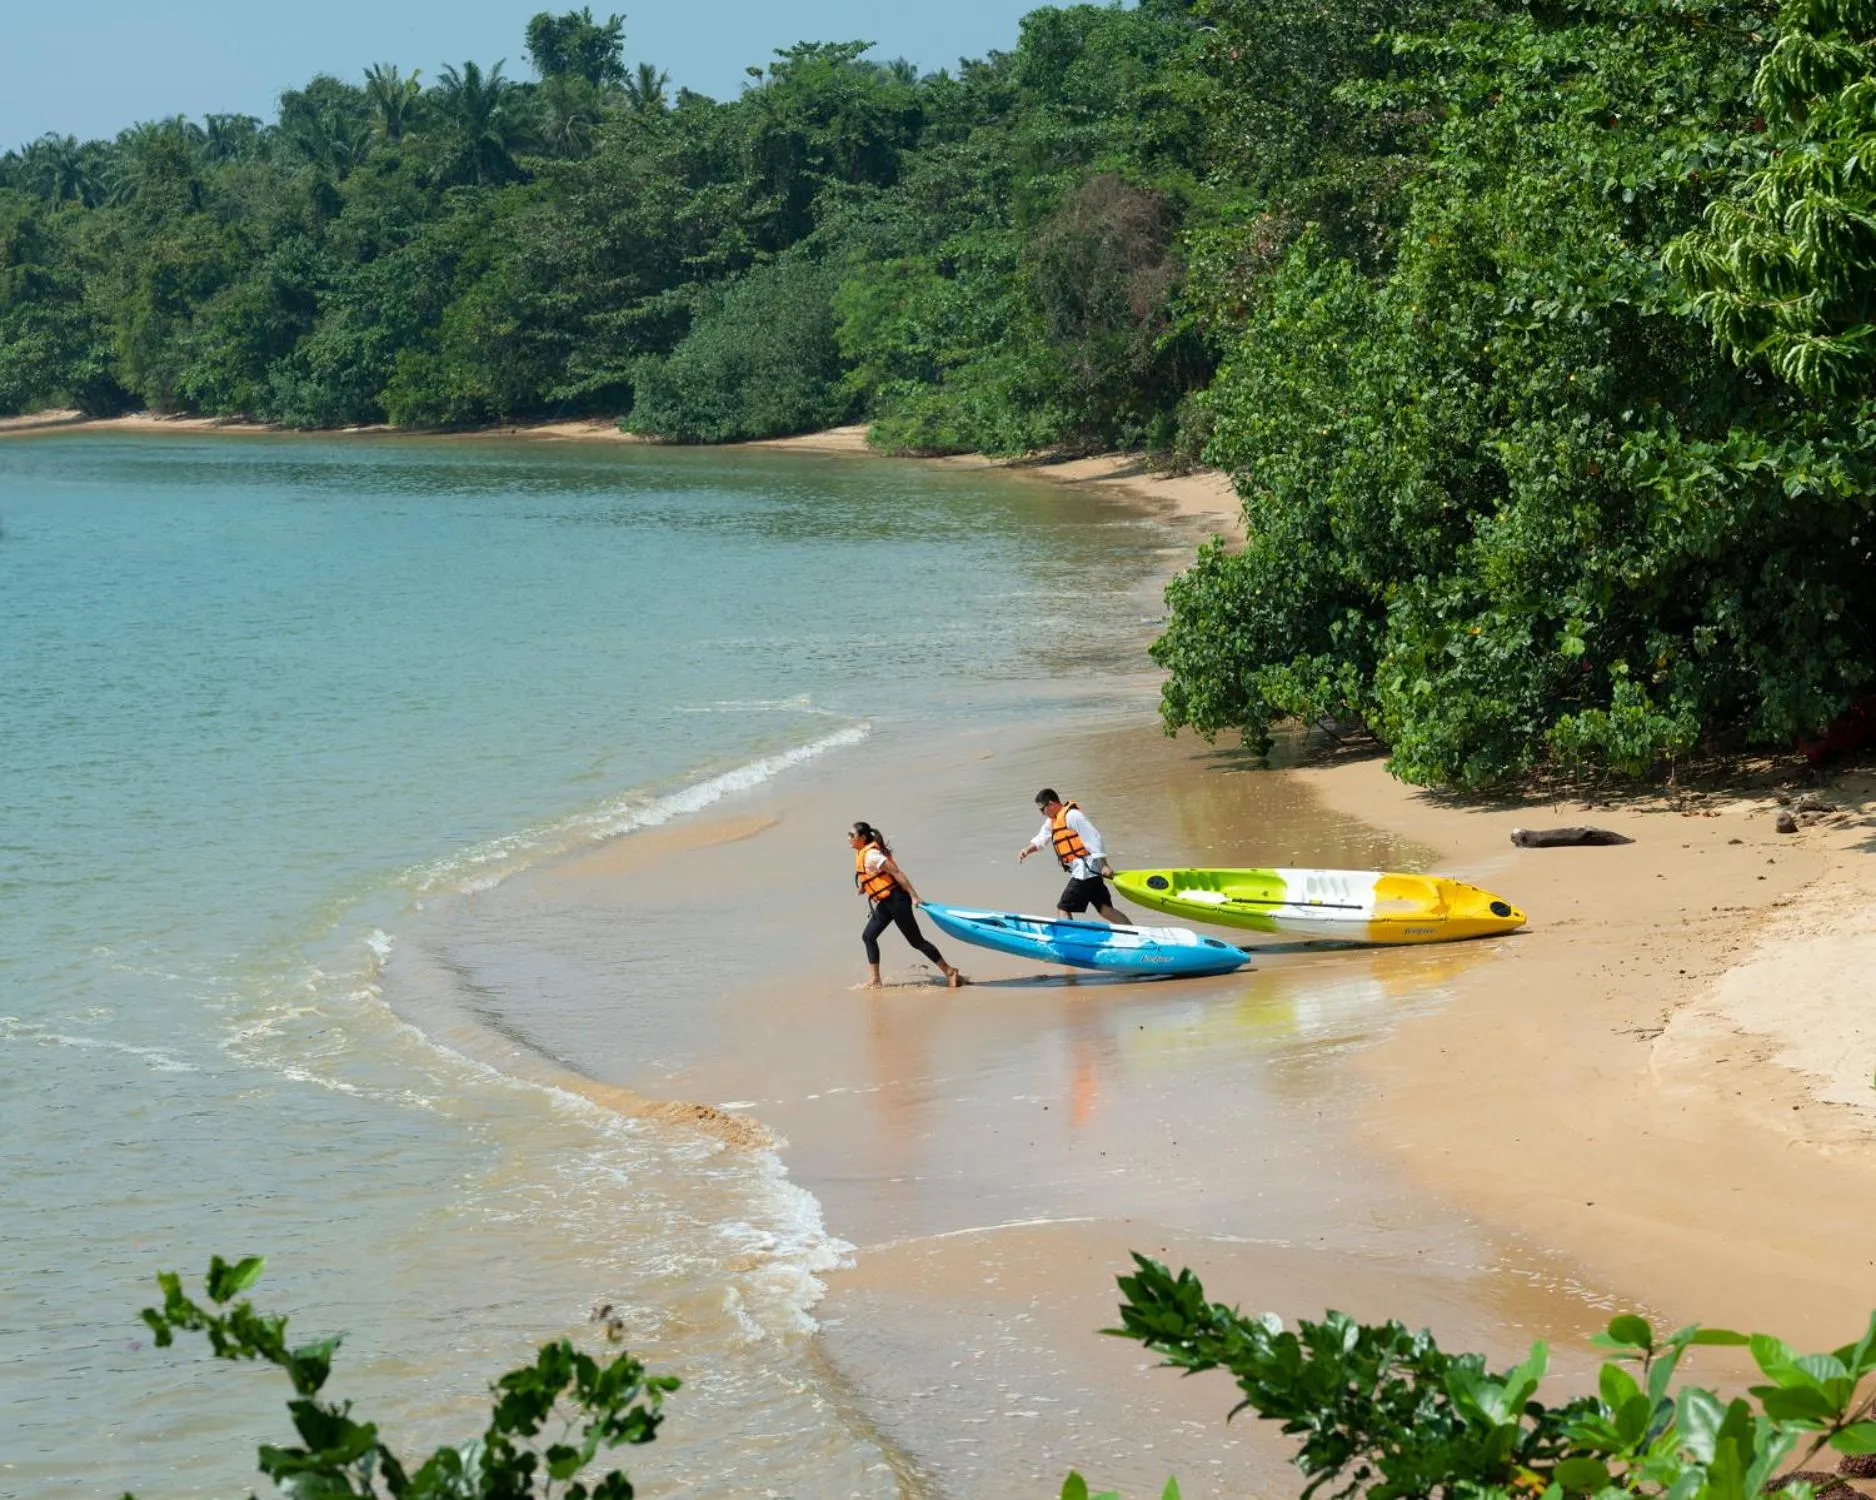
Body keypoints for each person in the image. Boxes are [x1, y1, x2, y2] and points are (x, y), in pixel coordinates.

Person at [849, 821, 964, 988]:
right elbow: (875, 876)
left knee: (916, 941)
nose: (849, 839)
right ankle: (876, 980)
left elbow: (896, 872)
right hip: (886, 902)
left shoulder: (872, 855)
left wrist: (914, 896)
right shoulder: (863, 855)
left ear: (863, 837)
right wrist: (864, 888)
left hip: (897, 900)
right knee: (868, 936)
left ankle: (950, 971)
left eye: (852, 835)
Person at [1016, 788, 1131, 924]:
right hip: (1090, 873)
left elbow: (1094, 838)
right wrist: (1026, 850)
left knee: (1063, 908)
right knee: (1105, 909)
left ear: (1051, 804)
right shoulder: (1053, 820)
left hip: (1084, 872)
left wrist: (1104, 865)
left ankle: (1068, 939)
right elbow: (1042, 838)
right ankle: (1135, 933)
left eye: (1042, 809)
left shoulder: (1073, 816)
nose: (1042, 814)